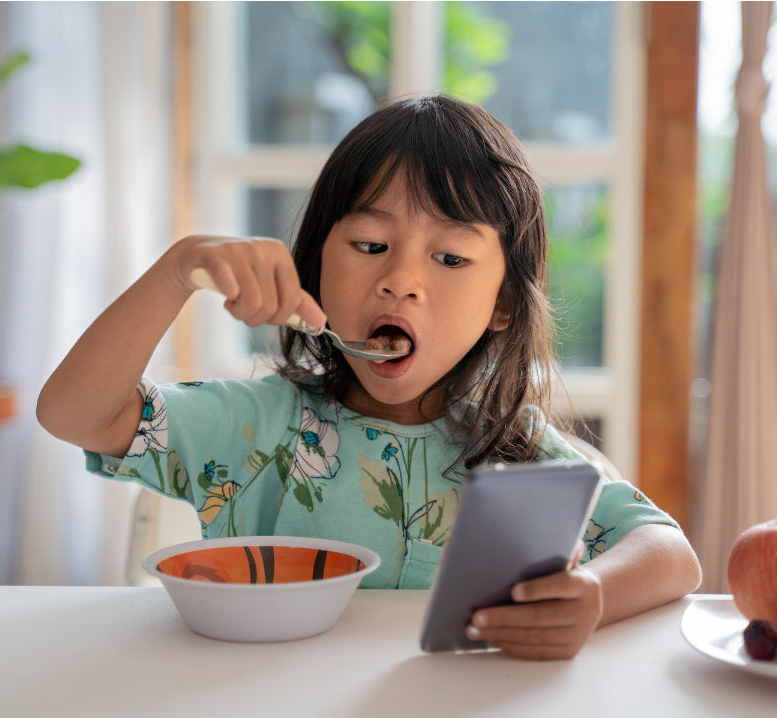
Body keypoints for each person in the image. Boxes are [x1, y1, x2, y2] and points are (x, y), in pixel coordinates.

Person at [37, 95, 701, 660]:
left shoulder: (516, 449)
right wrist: (178, 269)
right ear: (316, 263)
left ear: (503, 303)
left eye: (449, 256)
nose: (400, 281)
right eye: (369, 247)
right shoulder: (257, 428)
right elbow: (75, 414)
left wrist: (594, 597)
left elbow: (671, 554)